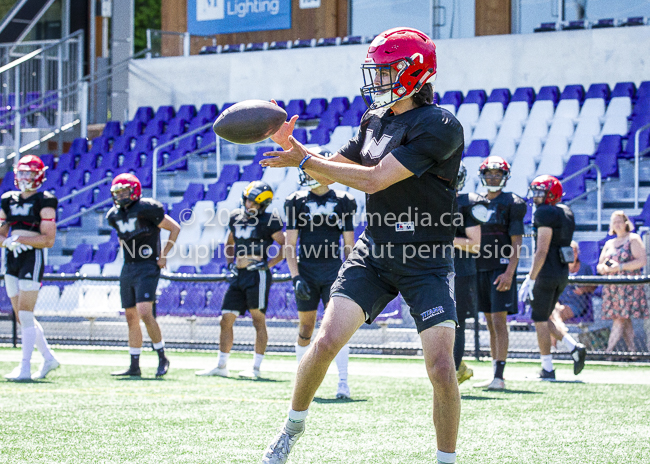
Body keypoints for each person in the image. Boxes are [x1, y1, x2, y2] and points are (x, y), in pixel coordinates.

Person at [260, 27, 463, 464]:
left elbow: (373, 179)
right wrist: (292, 146)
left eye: (387, 70)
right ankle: (290, 429)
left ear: (414, 72)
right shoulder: (376, 118)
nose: (380, 79)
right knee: (326, 339)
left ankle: (446, 459)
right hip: (376, 250)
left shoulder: (439, 124)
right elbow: (331, 170)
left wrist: (305, 160)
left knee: (442, 368)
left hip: (425, 256)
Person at [196, 180, 285, 379]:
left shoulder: (269, 220)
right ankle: (221, 365)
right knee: (226, 319)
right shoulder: (236, 217)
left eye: (254, 203)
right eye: (247, 201)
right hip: (239, 275)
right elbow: (229, 243)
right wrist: (230, 263)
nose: (249, 205)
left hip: (257, 274)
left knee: (258, 320)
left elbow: (285, 245)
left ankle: (255, 368)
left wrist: (268, 265)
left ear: (263, 205)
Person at [285, 154, 357, 398]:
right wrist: (295, 277)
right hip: (306, 270)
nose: (306, 174)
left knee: (336, 328)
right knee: (305, 327)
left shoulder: (344, 200)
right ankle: (302, 381)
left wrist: (348, 274)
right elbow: (289, 244)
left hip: (333, 271)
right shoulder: (295, 201)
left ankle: (343, 383)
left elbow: (349, 244)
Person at [106, 173, 180, 377]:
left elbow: (174, 228)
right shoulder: (114, 215)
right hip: (129, 266)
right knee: (130, 317)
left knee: (145, 311)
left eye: (124, 191)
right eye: (117, 192)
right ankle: (134, 364)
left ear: (134, 191)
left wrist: (163, 255)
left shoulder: (147, 209)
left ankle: (162, 356)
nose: (121, 196)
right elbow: (123, 239)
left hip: (148, 265)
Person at [518, 176, 587, 379]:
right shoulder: (566, 211)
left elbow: (542, 250)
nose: (536, 196)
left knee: (539, 319)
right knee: (545, 316)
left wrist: (531, 278)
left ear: (551, 194)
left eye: (540, 192)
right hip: (561, 272)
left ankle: (547, 368)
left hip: (546, 273)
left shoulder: (544, 213)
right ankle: (574, 347)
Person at [1, 155, 59, 380]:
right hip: (11, 257)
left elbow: (48, 240)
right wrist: (6, 241)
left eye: (29, 173)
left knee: (25, 313)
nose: (25, 177)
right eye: (22, 172)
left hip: (31, 258)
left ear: (39, 175)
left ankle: (25, 366)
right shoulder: (8, 199)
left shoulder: (45, 200)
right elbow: (1, 231)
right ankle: (48, 357)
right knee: (20, 315)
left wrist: (20, 240)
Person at [473, 156, 526, 390]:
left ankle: (500, 376)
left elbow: (517, 242)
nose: (493, 177)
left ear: (505, 176)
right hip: (479, 268)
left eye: (498, 174)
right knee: (489, 322)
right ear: (482, 176)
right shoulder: (477, 201)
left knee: (498, 321)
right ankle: (495, 373)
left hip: (500, 268)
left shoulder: (512, 202)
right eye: (489, 174)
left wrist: (510, 272)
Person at [452, 162, 486, 384]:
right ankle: (458, 367)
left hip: (461, 272)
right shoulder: (431, 200)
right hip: (433, 271)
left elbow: (475, 244)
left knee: (456, 324)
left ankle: (454, 372)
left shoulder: (467, 203)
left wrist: (444, 240)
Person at [596, 211, 648, 352]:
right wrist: (606, 268)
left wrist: (620, 267)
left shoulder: (633, 239)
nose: (617, 224)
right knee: (624, 320)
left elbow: (642, 261)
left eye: (619, 221)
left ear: (626, 223)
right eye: (614, 221)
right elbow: (599, 266)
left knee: (619, 319)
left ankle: (608, 351)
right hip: (613, 288)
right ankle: (633, 352)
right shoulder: (609, 243)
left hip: (628, 287)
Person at [552, 241, 596, 324]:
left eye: (574, 251)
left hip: (576, 304)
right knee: (551, 313)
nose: (571, 254)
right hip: (558, 303)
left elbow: (593, 286)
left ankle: (561, 334)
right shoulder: (558, 269)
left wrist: (583, 290)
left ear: (577, 253)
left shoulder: (585, 268)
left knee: (558, 315)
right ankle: (560, 334)